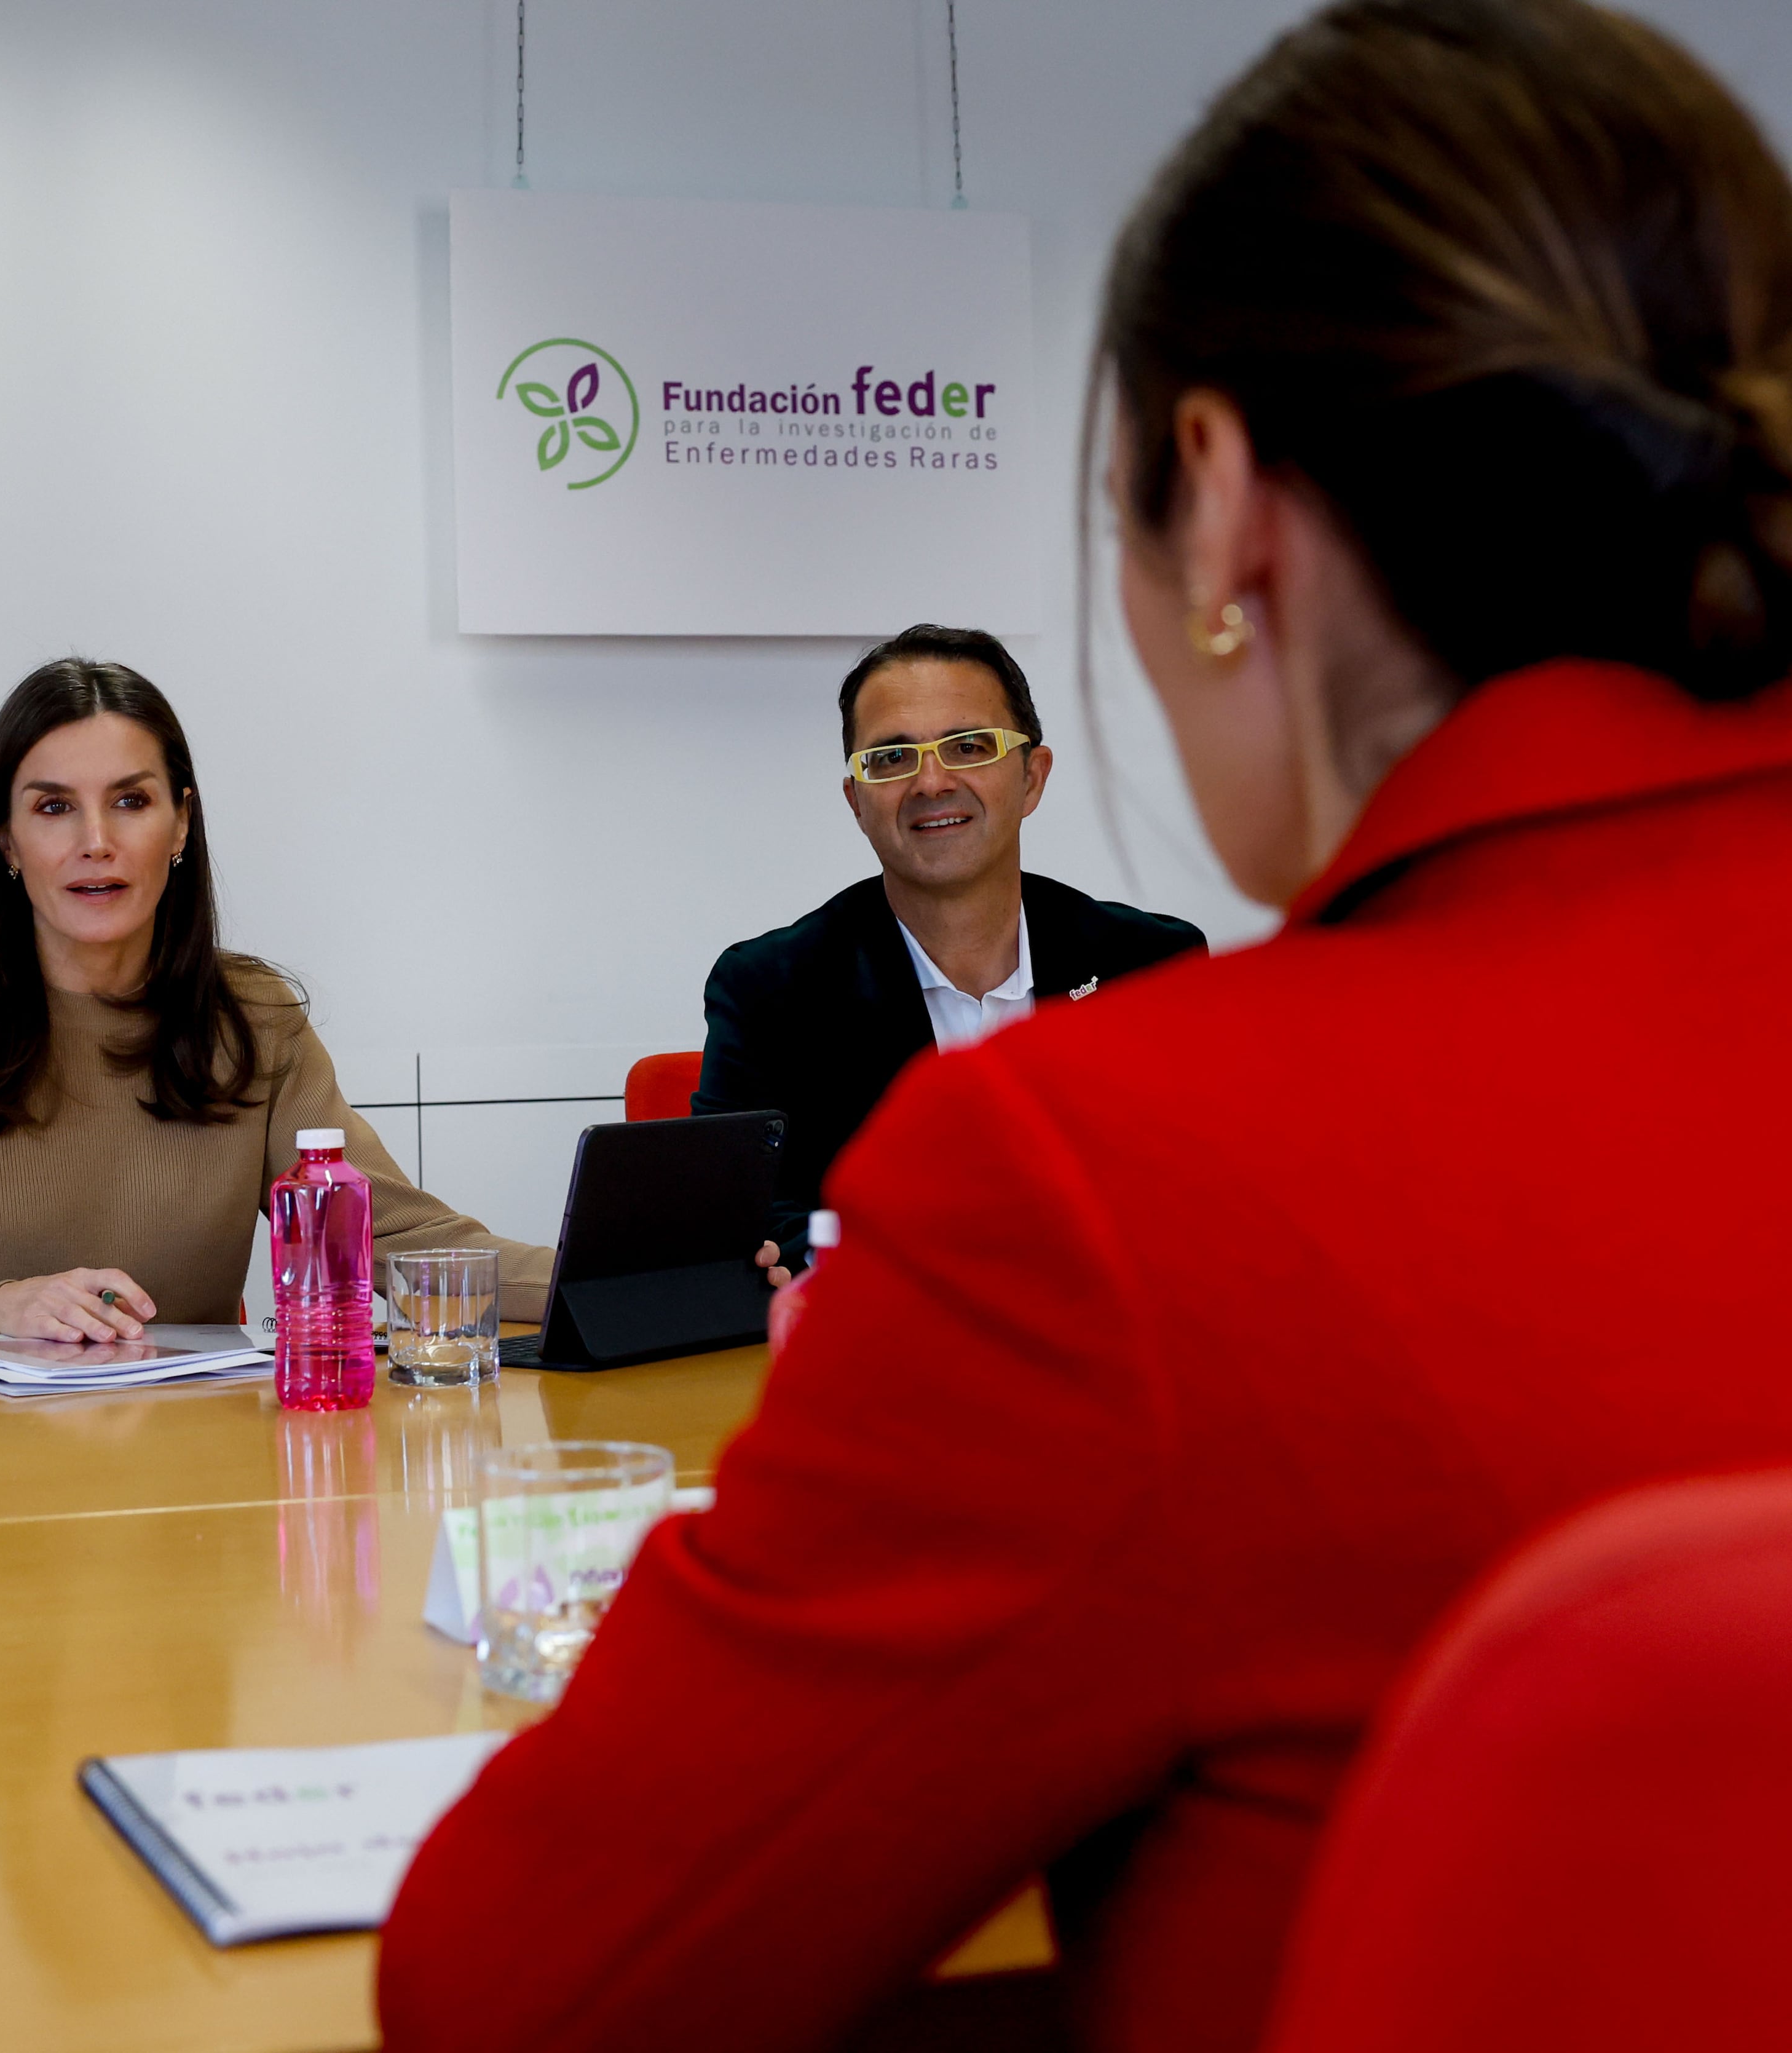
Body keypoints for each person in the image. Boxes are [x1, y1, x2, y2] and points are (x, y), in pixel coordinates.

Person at [379, 3, 1792, 2048]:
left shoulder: (1116, 1170)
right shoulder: (860, 1006)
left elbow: (524, 1987)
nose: (933, 779)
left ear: (1217, 507)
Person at [0, 659, 548, 1350]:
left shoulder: (251, 1017)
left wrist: (624, 1270)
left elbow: (397, 1247)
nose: (96, 841)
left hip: (199, 1460)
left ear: (181, 823)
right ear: (6, 839)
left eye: (130, 801)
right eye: (54, 807)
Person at [692, 625, 1202, 1269]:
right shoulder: (771, 988)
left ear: (1031, 779)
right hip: (880, 1350)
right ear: (856, 800)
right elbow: (744, 1212)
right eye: (891, 758)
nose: (931, 782)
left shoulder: (1148, 966)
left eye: (968, 746)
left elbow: (1196, 1188)